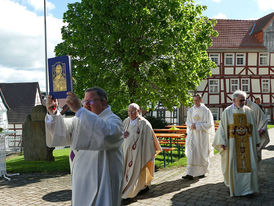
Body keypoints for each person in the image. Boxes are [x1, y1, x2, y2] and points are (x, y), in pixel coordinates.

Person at [45, 87, 124, 206]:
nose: (86, 105)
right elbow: (63, 131)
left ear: (103, 102)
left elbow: (105, 135)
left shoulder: (114, 121)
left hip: (103, 181)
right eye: (84, 102)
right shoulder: (80, 119)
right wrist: (54, 113)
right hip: (81, 181)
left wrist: (80, 110)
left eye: (90, 102)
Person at [213, 90, 260, 197]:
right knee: (233, 167)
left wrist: (256, 140)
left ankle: (248, 190)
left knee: (250, 167)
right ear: (233, 100)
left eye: (244, 100)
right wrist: (222, 142)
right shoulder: (227, 112)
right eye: (241, 100)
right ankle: (233, 188)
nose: (243, 102)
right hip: (233, 146)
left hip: (247, 145)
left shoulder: (249, 111)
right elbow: (222, 128)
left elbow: (253, 128)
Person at [122, 103, 161, 201]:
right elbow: (121, 134)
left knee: (137, 172)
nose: (130, 113)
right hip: (126, 153)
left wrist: (147, 154)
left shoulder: (144, 123)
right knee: (127, 173)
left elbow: (149, 141)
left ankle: (135, 190)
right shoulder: (126, 121)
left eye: (133, 111)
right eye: (129, 111)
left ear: (138, 111)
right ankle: (128, 188)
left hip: (139, 154)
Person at [182, 94, 215, 180]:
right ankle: (190, 173)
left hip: (202, 136)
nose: (195, 102)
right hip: (193, 135)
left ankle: (202, 172)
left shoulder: (206, 111)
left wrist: (197, 125)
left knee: (201, 153)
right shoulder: (190, 110)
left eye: (197, 100)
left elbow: (209, 124)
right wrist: (191, 125)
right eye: (194, 100)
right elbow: (187, 122)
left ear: (200, 100)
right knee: (191, 153)